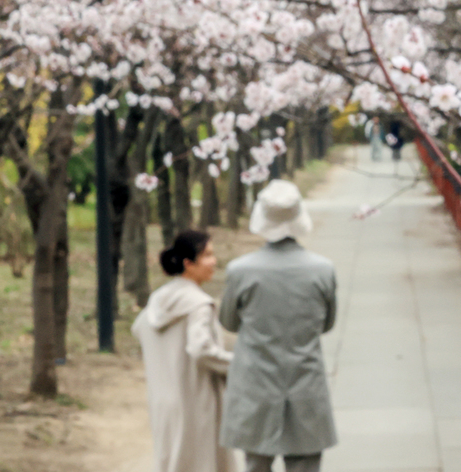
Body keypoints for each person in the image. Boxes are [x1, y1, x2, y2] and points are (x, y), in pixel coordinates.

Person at [220, 179, 338, 472]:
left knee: (256, 463)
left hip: (256, 384)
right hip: (306, 382)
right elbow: (326, 324)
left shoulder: (240, 270)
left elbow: (229, 322)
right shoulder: (323, 270)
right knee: (306, 463)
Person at [132, 230, 236, 472]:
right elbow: (201, 349)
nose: (214, 261)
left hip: (163, 401)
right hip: (196, 400)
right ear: (188, 264)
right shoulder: (199, 304)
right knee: (202, 463)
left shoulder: (159, 300)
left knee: (172, 462)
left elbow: (138, 328)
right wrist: (239, 363)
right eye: (207, 255)